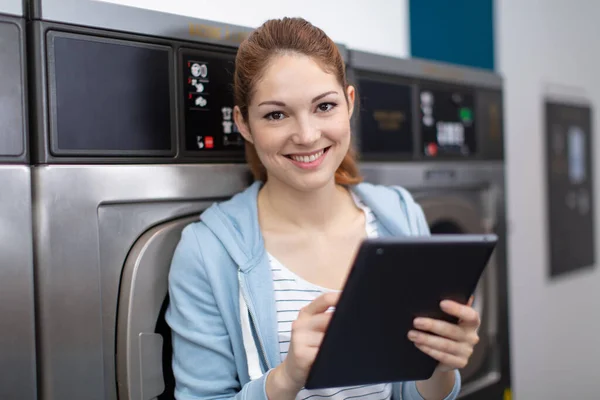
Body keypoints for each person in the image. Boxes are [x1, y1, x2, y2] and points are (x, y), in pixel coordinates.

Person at [165, 17, 481, 400]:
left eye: (324, 106)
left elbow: (410, 392)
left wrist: (441, 366)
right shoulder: (205, 252)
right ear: (244, 124)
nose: (307, 135)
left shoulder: (399, 216)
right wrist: (286, 378)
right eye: (276, 114)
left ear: (348, 103)